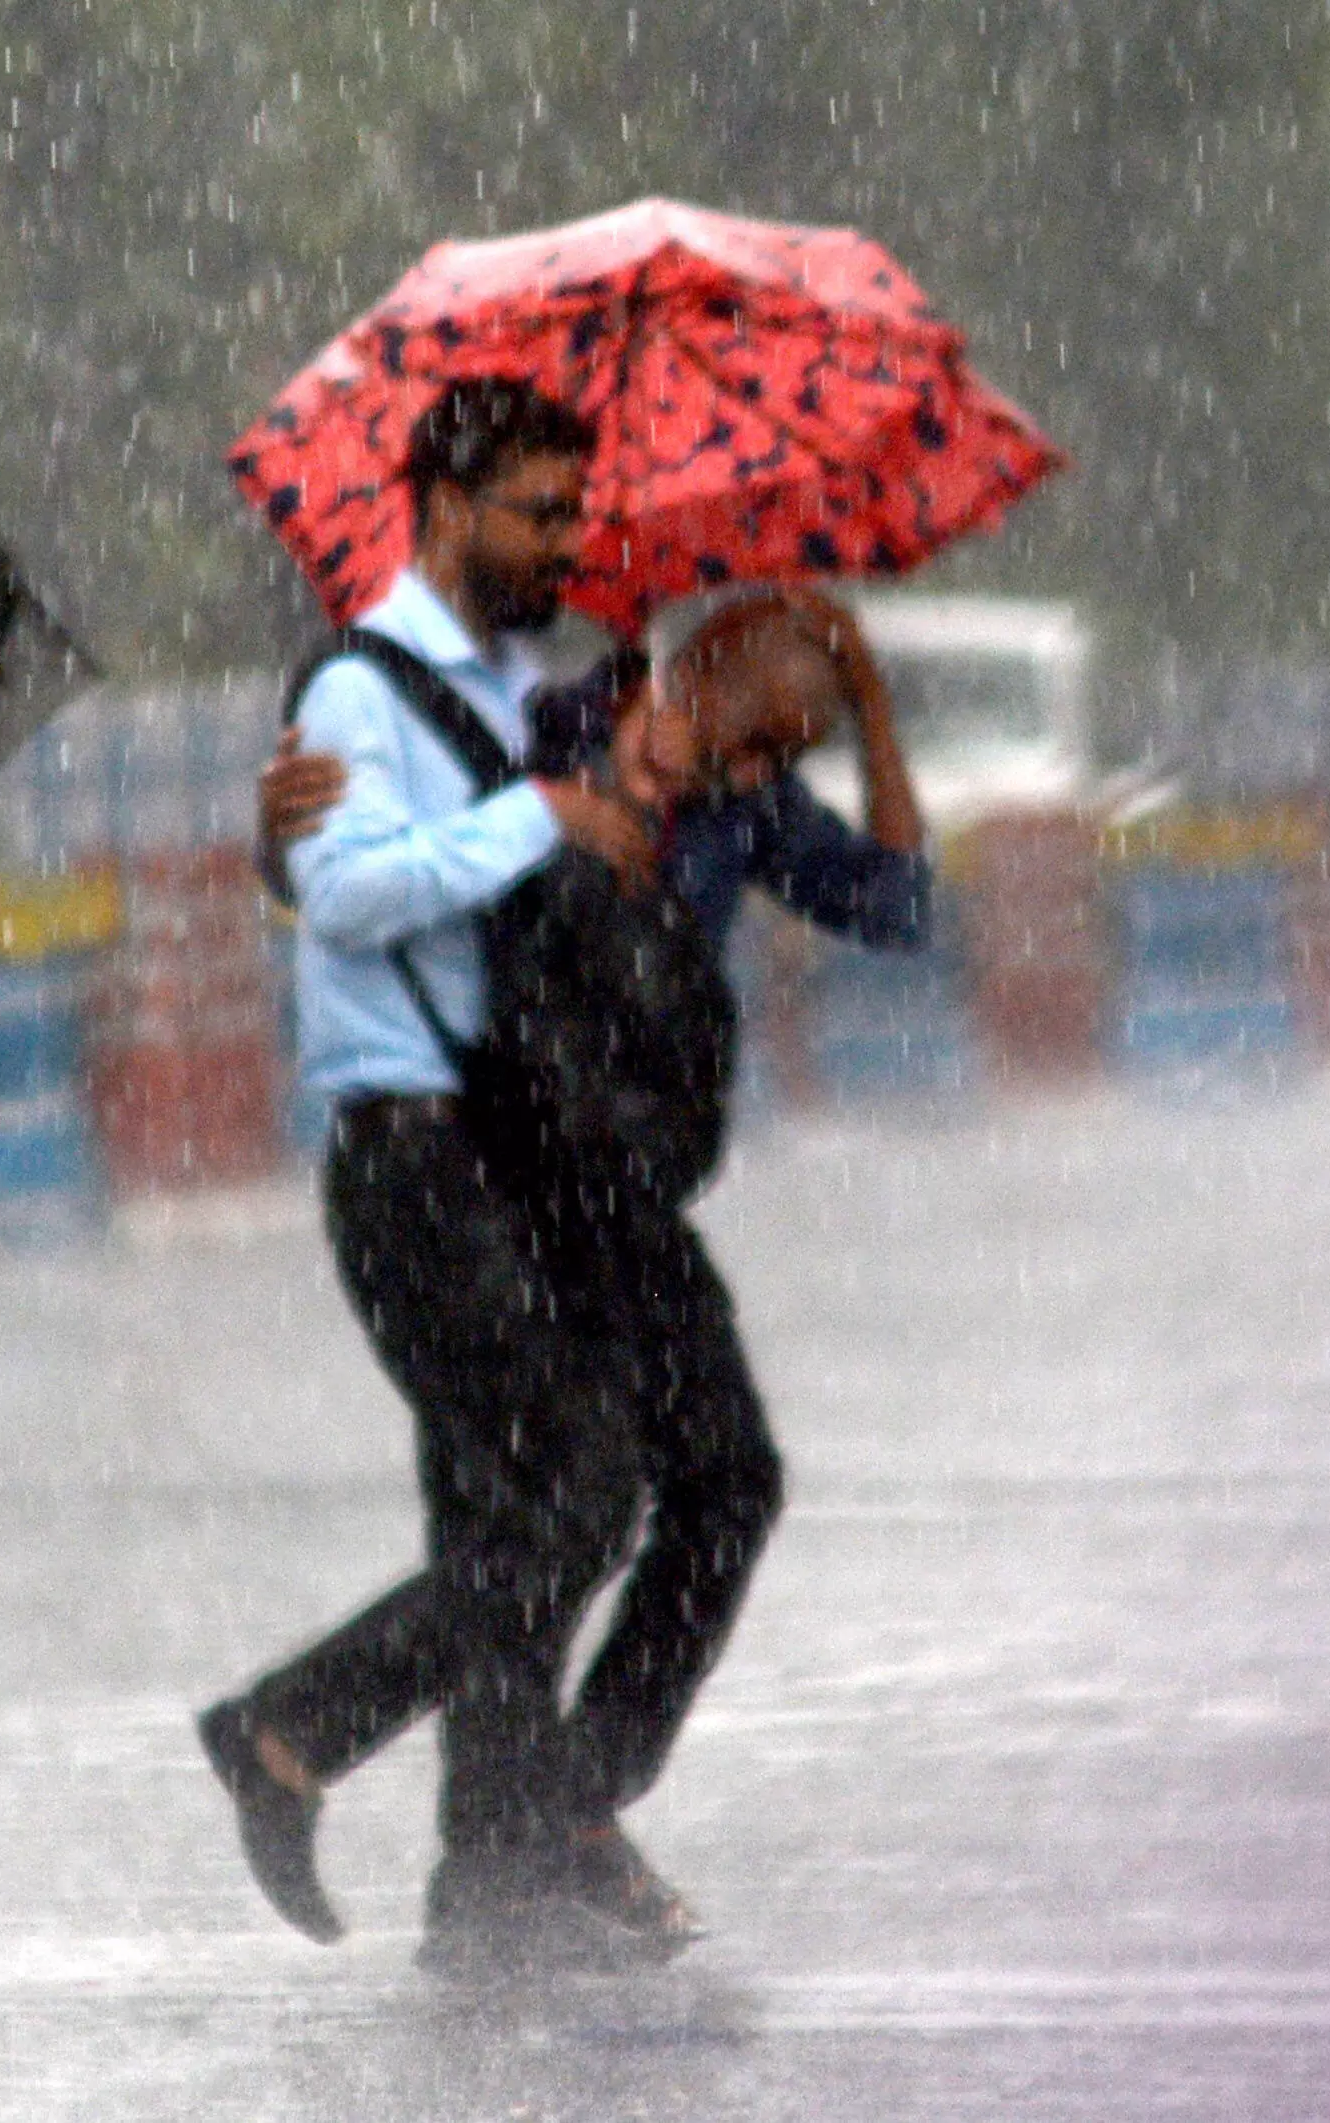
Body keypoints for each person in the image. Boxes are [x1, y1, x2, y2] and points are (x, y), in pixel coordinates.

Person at [223, 577, 930, 1976]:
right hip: (504, 1173)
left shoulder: (740, 812)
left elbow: (899, 909)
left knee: (711, 1485)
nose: (742, 773)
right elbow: (356, 865)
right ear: (686, 660)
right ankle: (471, 1833)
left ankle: (552, 1807)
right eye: (740, 733)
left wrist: (874, 702)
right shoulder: (531, 728)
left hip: (636, 1191)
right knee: (541, 1512)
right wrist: (274, 826)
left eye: (779, 757)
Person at [191, 375, 685, 1977]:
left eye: (575, 511)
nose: (565, 539)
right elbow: (340, 896)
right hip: (410, 1162)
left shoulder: (515, 687)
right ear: (447, 506)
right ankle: (291, 1726)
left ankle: (493, 1874)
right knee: (590, 1483)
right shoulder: (357, 691)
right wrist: (534, 820)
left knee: (506, 1511)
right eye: (539, 511)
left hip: (507, 1154)